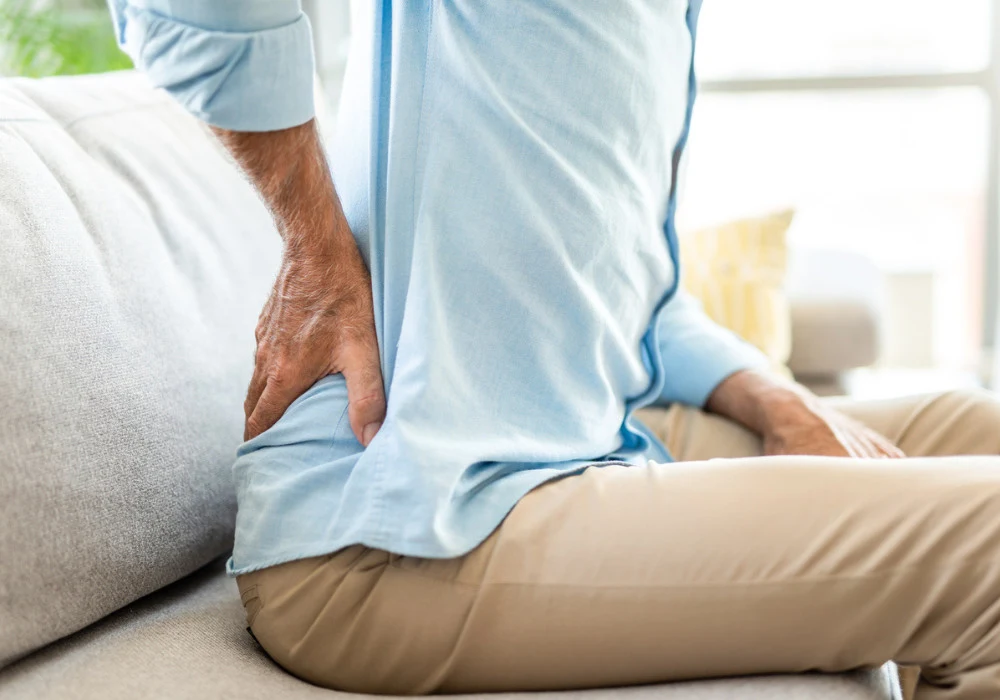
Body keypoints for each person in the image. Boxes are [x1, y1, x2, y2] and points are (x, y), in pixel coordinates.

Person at [110, 1, 1000, 698]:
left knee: (970, 427)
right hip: (398, 527)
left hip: (580, 434)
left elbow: (635, 297)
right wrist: (314, 246)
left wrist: (779, 400)